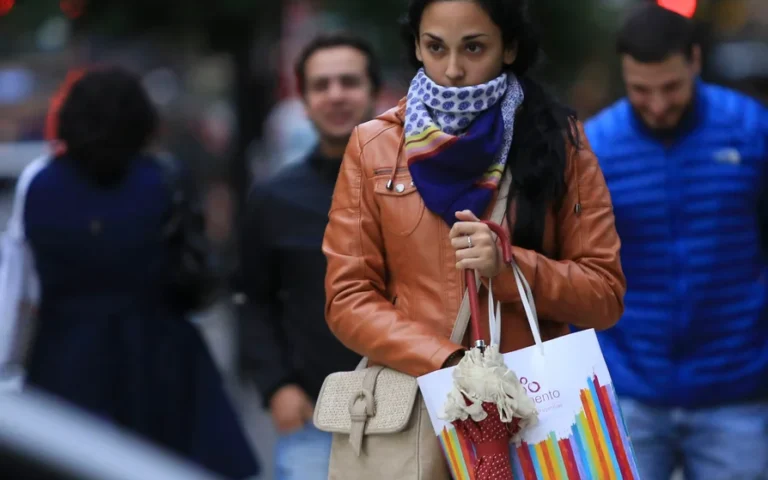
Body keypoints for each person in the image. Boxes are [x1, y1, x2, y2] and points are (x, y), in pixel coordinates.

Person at [323, 0, 624, 409]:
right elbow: (347, 298)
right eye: (436, 47)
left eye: (473, 47)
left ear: (509, 47)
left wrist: (511, 267)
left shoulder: (558, 140)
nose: (452, 70)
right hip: (421, 405)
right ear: (417, 46)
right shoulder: (373, 146)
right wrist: (447, 362)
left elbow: (605, 297)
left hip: (534, 404)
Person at [10, 68, 259, 480]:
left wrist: (10, 366)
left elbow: (19, 286)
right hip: (159, 354)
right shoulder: (163, 178)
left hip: (64, 355)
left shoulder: (39, 184)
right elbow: (191, 261)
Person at [585, 5, 768, 480]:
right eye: (640, 90)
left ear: (695, 61)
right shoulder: (596, 147)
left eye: (670, 87)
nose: (657, 104)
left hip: (736, 389)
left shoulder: (751, 129)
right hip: (629, 389)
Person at [238, 34, 379, 480]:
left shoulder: (416, 186)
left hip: (417, 411)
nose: (336, 95)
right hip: (314, 418)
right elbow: (252, 299)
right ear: (303, 100)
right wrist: (276, 386)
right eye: (321, 85)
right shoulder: (273, 198)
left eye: (349, 82)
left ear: (373, 91)